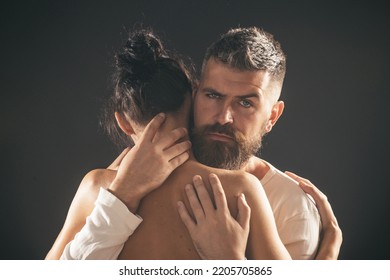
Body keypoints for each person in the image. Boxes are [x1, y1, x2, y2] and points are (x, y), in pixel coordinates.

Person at [47, 29, 291, 260]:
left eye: (244, 103)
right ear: (192, 99)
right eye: (214, 96)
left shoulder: (95, 187)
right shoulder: (241, 190)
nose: (224, 116)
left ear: (123, 122)